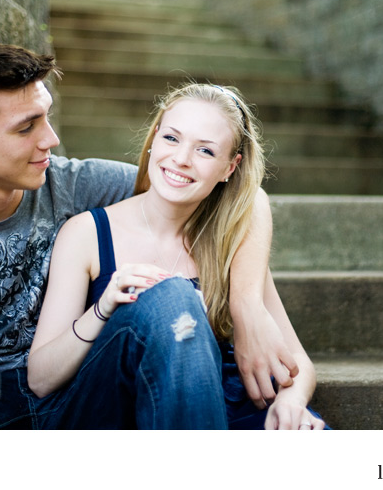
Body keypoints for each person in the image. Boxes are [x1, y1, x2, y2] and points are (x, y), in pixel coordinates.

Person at [0, 37, 295, 429]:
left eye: (46, 116)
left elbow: (239, 195)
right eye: (26, 127)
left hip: (85, 384)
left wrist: (247, 305)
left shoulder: (77, 183)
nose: (51, 139)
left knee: (172, 301)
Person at [29, 83, 327, 429]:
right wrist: (102, 309)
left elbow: (299, 362)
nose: (181, 159)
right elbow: (40, 379)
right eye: (172, 138)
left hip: (230, 404)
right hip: (118, 406)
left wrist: (290, 403)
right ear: (154, 138)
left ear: (230, 168)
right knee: (173, 297)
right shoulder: (87, 233)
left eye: (205, 151)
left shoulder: (231, 242)